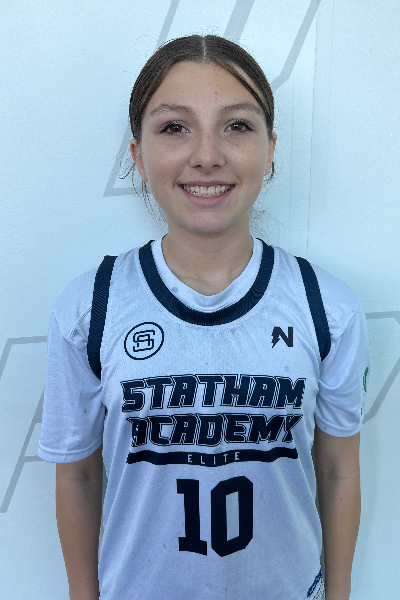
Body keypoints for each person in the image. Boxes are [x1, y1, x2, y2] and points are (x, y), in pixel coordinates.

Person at [38, 35, 369, 600]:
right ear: (138, 156)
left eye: (237, 125)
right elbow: (78, 473)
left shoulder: (327, 308)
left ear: (270, 149)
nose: (207, 155)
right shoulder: (90, 308)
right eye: (175, 127)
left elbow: (339, 469)